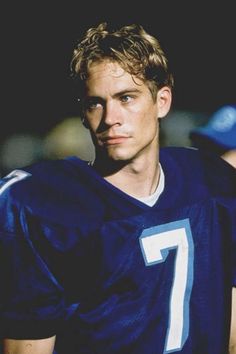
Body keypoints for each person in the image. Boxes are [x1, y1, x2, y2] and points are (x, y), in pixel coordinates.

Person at [0, 22, 236, 354]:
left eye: (126, 97)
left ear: (162, 101)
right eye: (96, 102)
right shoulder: (44, 207)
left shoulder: (211, 182)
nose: (110, 116)